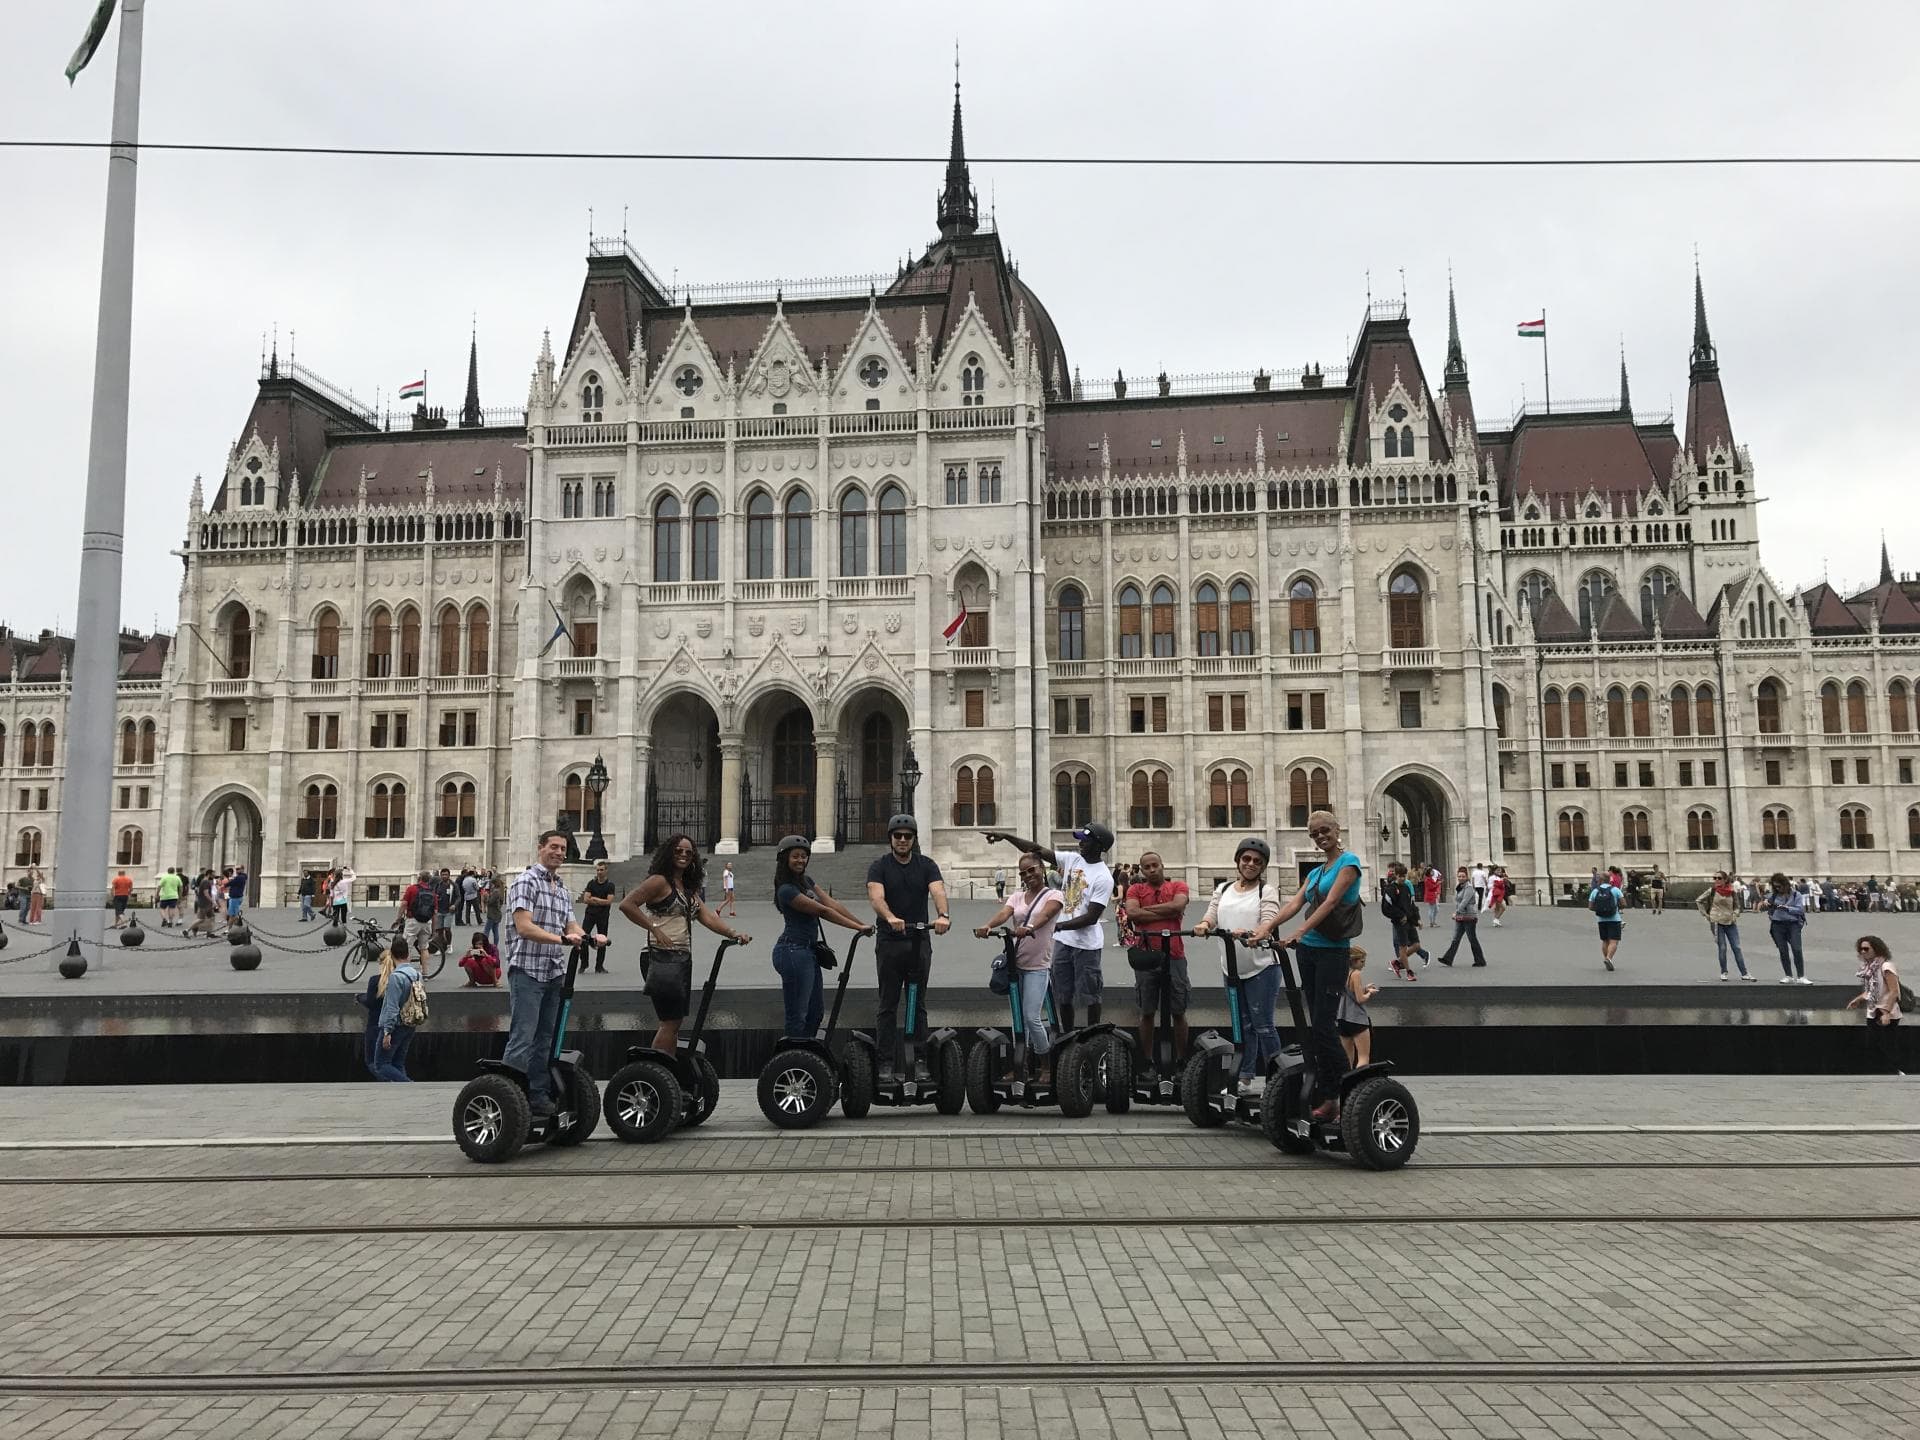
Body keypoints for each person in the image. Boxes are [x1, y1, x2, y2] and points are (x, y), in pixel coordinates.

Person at [618, 833, 746, 1056]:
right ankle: (658, 1071)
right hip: (659, 957)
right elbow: (627, 904)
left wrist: (734, 933)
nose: (684, 855)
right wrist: (653, 928)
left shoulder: (687, 888)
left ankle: (668, 1071)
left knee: (674, 1022)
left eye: (688, 852)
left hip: (680, 958)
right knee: (670, 1021)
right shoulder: (658, 881)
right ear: (669, 853)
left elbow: (708, 917)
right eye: (678, 851)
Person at [1272, 812, 1363, 1122]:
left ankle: (1347, 1095)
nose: (1320, 836)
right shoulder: (1315, 873)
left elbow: (1330, 904)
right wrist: (1265, 928)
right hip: (1308, 954)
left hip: (1332, 954)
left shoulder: (1348, 864)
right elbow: (1295, 904)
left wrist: (1299, 931)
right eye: (1314, 833)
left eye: (1325, 830)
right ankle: (1329, 1094)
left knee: (1324, 1026)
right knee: (1316, 1025)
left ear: (1337, 829)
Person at [986, 821, 1114, 1034]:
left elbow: (1091, 917)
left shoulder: (1104, 877)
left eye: (1085, 840)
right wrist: (1006, 836)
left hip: (1087, 946)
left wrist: (1058, 925)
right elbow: (1035, 849)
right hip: (1064, 942)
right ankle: (1068, 1034)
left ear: (1098, 845)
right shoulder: (1073, 860)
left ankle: (1093, 1036)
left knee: (1090, 995)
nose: (1080, 843)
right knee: (1063, 994)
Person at [504, 831, 588, 1119]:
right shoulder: (526, 882)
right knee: (523, 1036)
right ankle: (510, 1097)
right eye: (553, 847)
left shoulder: (561, 888)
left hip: (553, 972)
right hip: (527, 970)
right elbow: (523, 926)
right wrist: (561, 940)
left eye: (563, 848)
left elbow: (572, 926)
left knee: (547, 1038)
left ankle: (537, 1095)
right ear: (540, 848)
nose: (559, 853)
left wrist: (590, 937)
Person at [1191, 837, 1284, 1096]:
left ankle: (1277, 1081)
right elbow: (1211, 914)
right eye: (1246, 859)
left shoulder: (1266, 891)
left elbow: (1269, 920)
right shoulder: (1223, 889)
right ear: (1238, 861)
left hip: (1262, 967)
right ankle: (1243, 1078)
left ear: (1263, 866)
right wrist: (1204, 925)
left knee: (1263, 1024)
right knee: (1241, 1025)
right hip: (1231, 966)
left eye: (1257, 861)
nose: (1251, 864)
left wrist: (1254, 932)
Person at [866, 815, 951, 1080]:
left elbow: (937, 891)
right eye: (897, 836)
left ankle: (920, 1058)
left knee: (918, 1002)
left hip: (918, 940)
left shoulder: (926, 865)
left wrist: (943, 915)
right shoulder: (879, 866)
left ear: (914, 839)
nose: (902, 840)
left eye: (907, 836)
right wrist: (890, 918)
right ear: (890, 838)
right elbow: (876, 896)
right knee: (888, 1003)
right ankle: (885, 1062)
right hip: (890, 942)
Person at [976, 851, 1063, 1084]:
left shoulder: (1053, 895)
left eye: (1032, 870)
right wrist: (987, 926)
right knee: (1018, 1019)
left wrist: (1031, 926)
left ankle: (1046, 1065)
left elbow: (1047, 914)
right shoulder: (1015, 897)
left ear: (1042, 869)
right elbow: (1004, 914)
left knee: (1031, 1016)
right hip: (1016, 964)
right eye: (1023, 873)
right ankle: (1020, 1065)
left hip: (1038, 966)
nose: (1028, 875)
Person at [771, 835, 869, 1040]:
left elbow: (831, 903)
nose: (801, 860)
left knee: (815, 1012)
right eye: (795, 856)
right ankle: (794, 1056)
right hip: (792, 952)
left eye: (804, 856)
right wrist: (856, 927)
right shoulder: (786, 890)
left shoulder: (806, 882)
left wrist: (861, 924)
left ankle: (807, 1054)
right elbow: (823, 911)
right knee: (798, 1014)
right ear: (785, 859)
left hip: (809, 951)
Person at [1122, 850, 1191, 1077]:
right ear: (1141, 870)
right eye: (1147, 867)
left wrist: (1144, 912)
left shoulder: (1178, 886)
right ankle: (1148, 1061)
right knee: (1147, 1011)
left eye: (1155, 865)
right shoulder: (1135, 889)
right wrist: (1161, 911)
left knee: (1178, 1011)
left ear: (1163, 865)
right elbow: (1131, 913)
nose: (1152, 870)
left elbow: (1177, 907)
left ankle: (1181, 1060)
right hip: (1147, 956)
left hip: (1175, 956)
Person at [370, 936, 426, 1082]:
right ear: (408, 955)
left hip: (396, 1025)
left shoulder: (396, 977)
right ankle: (405, 1093)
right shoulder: (417, 974)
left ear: (392, 955)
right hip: (411, 1023)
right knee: (398, 1063)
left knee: (381, 1065)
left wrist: (387, 1031)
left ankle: (411, 1086)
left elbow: (392, 1006)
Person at [1847, 935, 1904, 1074]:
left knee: (1886, 1044)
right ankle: (1886, 1072)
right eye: (1860, 949)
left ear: (1876, 949)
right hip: (1873, 1010)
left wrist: (1886, 1012)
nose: (1863, 952)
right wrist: (1859, 999)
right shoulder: (1869, 968)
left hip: (1886, 1011)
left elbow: (1894, 991)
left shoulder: (1886, 966)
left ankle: (1894, 1072)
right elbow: (1871, 991)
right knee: (1873, 1044)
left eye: (1866, 949)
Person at [1695, 871, 1754, 980]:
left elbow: (1737, 906)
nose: (1716, 880)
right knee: (1722, 948)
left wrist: (1735, 914)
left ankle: (1744, 973)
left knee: (1736, 947)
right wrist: (1706, 915)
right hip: (1716, 922)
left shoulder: (1732, 891)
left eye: (1719, 878)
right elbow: (1699, 900)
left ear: (1725, 879)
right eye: (1715, 878)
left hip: (1730, 922)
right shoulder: (1712, 891)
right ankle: (1724, 972)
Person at [1437, 865, 1487, 967]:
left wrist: (1456, 912)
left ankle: (1480, 960)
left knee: (1472, 939)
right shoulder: (1459, 887)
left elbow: (1464, 902)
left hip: (1469, 917)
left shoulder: (1469, 888)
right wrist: (1457, 912)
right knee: (1456, 938)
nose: (1461, 878)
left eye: (1463, 876)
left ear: (1467, 877)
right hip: (1461, 917)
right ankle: (1448, 959)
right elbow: (1458, 902)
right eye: (1459, 876)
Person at [1764, 871, 1809, 984]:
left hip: (1793, 924)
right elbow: (1767, 907)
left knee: (1797, 949)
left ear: (1785, 884)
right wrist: (1766, 904)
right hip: (1777, 925)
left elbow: (1800, 910)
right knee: (1783, 951)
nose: (1778, 889)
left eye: (1779, 886)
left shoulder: (1796, 895)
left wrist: (1787, 908)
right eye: (1775, 887)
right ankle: (1788, 975)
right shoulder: (1773, 896)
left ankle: (1801, 976)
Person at [1380, 861, 1422, 980]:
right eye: (1401, 876)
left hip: (1409, 921)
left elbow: (1411, 905)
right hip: (1399, 922)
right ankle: (1409, 972)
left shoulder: (1406, 888)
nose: (1403, 878)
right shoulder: (1390, 889)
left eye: (1405, 876)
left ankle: (1397, 963)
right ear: (1396, 876)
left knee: (1416, 945)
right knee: (1403, 947)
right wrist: (1399, 916)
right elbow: (1386, 908)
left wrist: (1417, 919)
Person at [1339, 947, 1378, 1069]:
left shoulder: (1343, 972)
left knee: (1347, 1058)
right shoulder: (1356, 974)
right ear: (1354, 961)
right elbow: (1360, 999)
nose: (1364, 964)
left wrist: (1365, 988)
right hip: (1357, 1019)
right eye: (1362, 961)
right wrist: (1370, 993)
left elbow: (1350, 992)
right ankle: (1360, 1084)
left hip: (1342, 1018)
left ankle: (1346, 1085)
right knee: (1363, 1057)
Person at [579, 860, 616, 975]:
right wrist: (601, 901)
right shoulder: (591, 883)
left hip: (603, 916)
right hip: (590, 914)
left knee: (602, 940)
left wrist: (595, 899)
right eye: (598, 870)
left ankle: (599, 966)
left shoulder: (610, 885)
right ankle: (584, 963)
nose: (599, 872)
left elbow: (609, 901)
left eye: (601, 870)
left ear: (606, 871)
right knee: (583, 938)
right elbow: (585, 899)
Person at [1588, 869, 1624, 971]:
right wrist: (1615, 908)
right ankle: (1609, 958)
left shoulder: (1595, 891)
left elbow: (1590, 907)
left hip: (1601, 919)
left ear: (1601, 880)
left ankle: (1606, 958)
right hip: (1614, 918)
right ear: (1609, 880)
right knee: (1614, 941)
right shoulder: (1615, 890)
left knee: (1605, 941)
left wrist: (1600, 909)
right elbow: (1624, 903)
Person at [399, 871, 437, 957]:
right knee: (424, 948)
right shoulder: (432, 892)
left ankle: (406, 969)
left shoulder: (412, 889)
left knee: (407, 948)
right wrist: (434, 930)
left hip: (413, 921)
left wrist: (398, 919)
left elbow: (404, 904)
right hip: (427, 922)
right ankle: (425, 970)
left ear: (419, 879)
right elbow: (435, 913)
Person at [482, 872, 502, 950]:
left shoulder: (495, 892)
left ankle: (484, 945)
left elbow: (490, 902)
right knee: (495, 930)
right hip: (496, 913)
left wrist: (486, 897)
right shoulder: (497, 891)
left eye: (491, 884)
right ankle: (495, 946)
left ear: (493, 884)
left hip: (492, 914)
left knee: (486, 930)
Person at [1419, 863, 1442, 928]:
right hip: (1430, 895)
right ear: (1429, 872)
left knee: (1434, 909)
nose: (1433, 872)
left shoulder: (1429, 878)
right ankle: (1432, 922)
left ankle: (1432, 922)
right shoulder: (1428, 879)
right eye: (1431, 871)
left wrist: (1437, 881)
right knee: (1433, 909)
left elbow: (1433, 884)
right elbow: (1431, 887)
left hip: (1431, 895)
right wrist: (1438, 884)